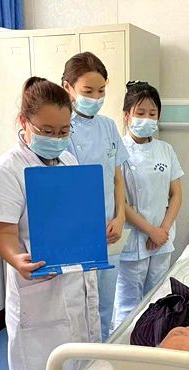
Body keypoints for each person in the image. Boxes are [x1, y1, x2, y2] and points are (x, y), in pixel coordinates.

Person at [0, 77, 100, 370]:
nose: (57, 138)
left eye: (64, 131)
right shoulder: (7, 169)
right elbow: (3, 234)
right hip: (37, 287)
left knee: (75, 369)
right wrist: (19, 261)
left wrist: (95, 234)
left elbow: (75, 220)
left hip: (74, 281)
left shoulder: (68, 162)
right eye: (47, 131)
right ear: (24, 122)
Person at [62, 52, 129, 340]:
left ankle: (100, 355)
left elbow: (117, 177)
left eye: (101, 91)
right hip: (76, 231)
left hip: (109, 229)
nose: (96, 97)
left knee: (105, 303)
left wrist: (120, 216)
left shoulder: (108, 126)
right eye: (88, 91)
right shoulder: (62, 129)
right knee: (78, 305)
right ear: (68, 87)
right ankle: (79, 357)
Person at [113, 81, 184, 327]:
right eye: (140, 113)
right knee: (128, 305)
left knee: (158, 299)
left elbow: (176, 194)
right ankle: (123, 346)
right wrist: (150, 230)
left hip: (162, 238)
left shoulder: (166, 150)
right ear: (127, 116)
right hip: (134, 238)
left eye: (152, 114)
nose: (147, 118)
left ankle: (151, 341)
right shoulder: (118, 150)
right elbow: (120, 201)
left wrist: (162, 229)